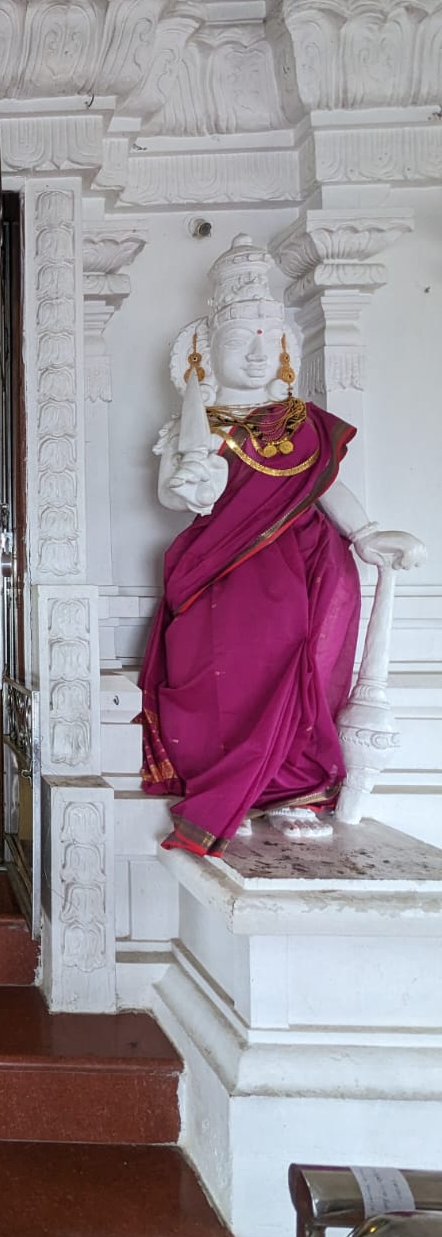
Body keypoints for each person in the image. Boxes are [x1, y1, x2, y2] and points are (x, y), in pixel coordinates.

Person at [139, 235, 425, 856]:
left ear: (287, 351)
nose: (254, 353)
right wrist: (192, 484)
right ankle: (226, 788)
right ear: (205, 356)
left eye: (267, 341)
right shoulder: (196, 423)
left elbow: (329, 489)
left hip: (310, 564)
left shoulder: (306, 426)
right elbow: (177, 494)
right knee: (223, 672)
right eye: (238, 342)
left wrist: (371, 534)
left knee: (309, 672)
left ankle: (293, 791)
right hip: (224, 569)